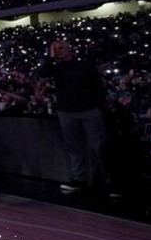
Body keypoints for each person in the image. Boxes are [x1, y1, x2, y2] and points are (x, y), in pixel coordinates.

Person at [37, 40, 111, 194]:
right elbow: (43, 72)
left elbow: (99, 87)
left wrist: (98, 108)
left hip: (89, 111)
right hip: (67, 112)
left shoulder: (85, 66)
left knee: (99, 147)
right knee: (73, 147)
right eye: (55, 49)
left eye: (61, 48)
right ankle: (79, 179)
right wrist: (50, 55)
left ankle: (108, 180)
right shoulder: (56, 68)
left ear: (70, 49)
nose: (58, 51)